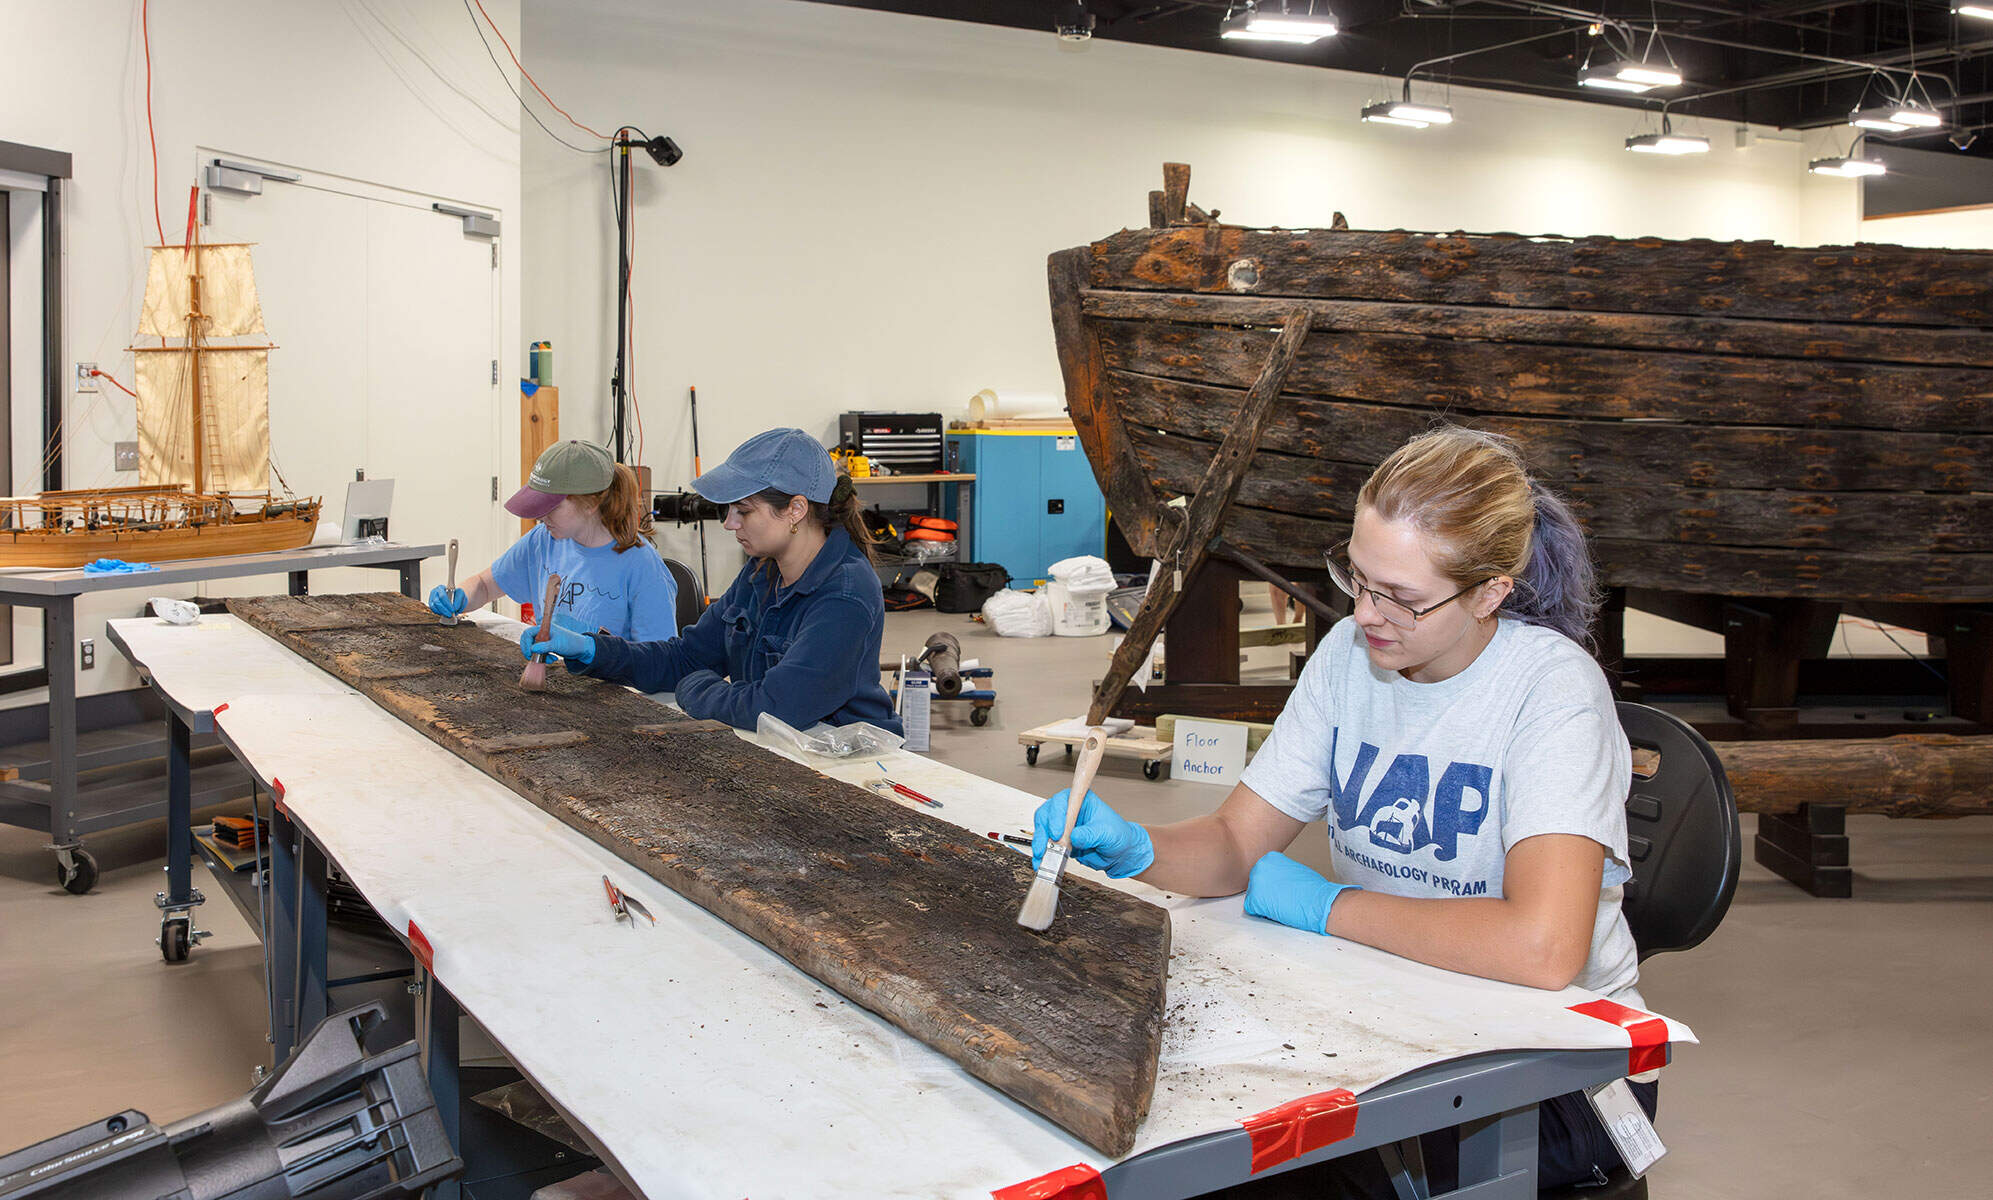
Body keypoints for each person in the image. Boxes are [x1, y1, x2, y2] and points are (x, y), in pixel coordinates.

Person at [1034, 425, 1654, 1193]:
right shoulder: (1350, 659)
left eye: (1402, 597)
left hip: (1552, 1068)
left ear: (1492, 589)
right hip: (1401, 1009)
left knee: (1262, 1170)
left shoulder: (1550, 693)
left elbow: (1540, 948)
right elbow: (1235, 839)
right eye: (1357, 579)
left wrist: (1331, 908)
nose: (1366, 614)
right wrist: (1134, 847)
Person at [520, 427, 901, 735]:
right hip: (788, 754)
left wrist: (693, 687)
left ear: (796, 510)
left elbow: (775, 709)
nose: (729, 523)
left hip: (854, 769)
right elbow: (686, 657)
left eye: (743, 511)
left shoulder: (845, 595)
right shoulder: (760, 573)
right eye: (728, 510)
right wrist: (592, 650)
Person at [428, 439, 678, 642]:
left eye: (551, 507)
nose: (540, 516)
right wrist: (459, 595)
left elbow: (660, 663)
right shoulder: (544, 540)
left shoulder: (643, 567)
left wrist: (595, 655)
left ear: (591, 503)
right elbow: (485, 584)